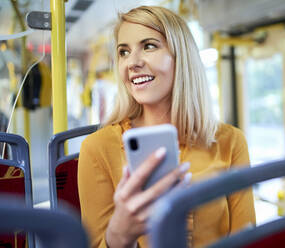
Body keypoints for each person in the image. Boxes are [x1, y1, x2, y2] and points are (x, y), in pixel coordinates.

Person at [78, 5, 256, 248]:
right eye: (123, 52)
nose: (132, 62)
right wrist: (118, 238)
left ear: (180, 56)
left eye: (149, 46)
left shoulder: (230, 141)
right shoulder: (97, 148)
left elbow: (247, 240)